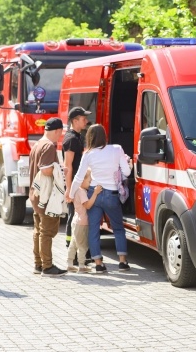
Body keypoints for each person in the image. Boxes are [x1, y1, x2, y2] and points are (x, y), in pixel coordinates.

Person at [69, 124, 133, 273]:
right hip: (111, 195)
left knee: (94, 229)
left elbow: (79, 177)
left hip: (94, 193)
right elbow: (127, 172)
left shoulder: (88, 154)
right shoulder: (117, 149)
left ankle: (98, 263)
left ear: (89, 137)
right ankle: (122, 262)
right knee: (118, 228)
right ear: (104, 136)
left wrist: (71, 195)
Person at [29, 117, 68, 277]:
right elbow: (45, 170)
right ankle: (47, 266)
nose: (60, 136)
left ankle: (38, 264)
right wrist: (60, 170)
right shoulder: (49, 146)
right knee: (46, 232)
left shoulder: (37, 144)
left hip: (35, 195)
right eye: (60, 133)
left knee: (38, 230)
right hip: (46, 197)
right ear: (58, 131)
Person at [63, 106, 91, 262]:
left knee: (77, 217)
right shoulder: (71, 139)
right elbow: (68, 166)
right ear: (74, 121)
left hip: (78, 184)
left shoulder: (78, 136)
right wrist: (69, 190)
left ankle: (80, 252)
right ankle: (72, 254)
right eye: (83, 118)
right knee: (74, 217)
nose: (86, 121)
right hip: (74, 185)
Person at [67, 169, 102, 273]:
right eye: (89, 181)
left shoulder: (76, 190)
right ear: (81, 180)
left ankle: (69, 264)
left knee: (73, 243)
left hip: (76, 221)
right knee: (83, 245)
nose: (90, 183)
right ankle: (81, 266)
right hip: (82, 223)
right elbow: (87, 205)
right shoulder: (82, 192)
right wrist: (95, 193)